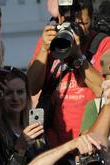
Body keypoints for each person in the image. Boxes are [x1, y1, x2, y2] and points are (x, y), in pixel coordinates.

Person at [27, 0, 110, 148]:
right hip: (55, 146)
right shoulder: (48, 41)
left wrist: (78, 57)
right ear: (59, 19)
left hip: (92, 145)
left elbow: (104, 92)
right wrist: (44, 50)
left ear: (91, 20)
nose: (75, 28)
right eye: (69, 22)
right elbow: (32, 88)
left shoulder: (103, 44)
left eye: (82, 23)